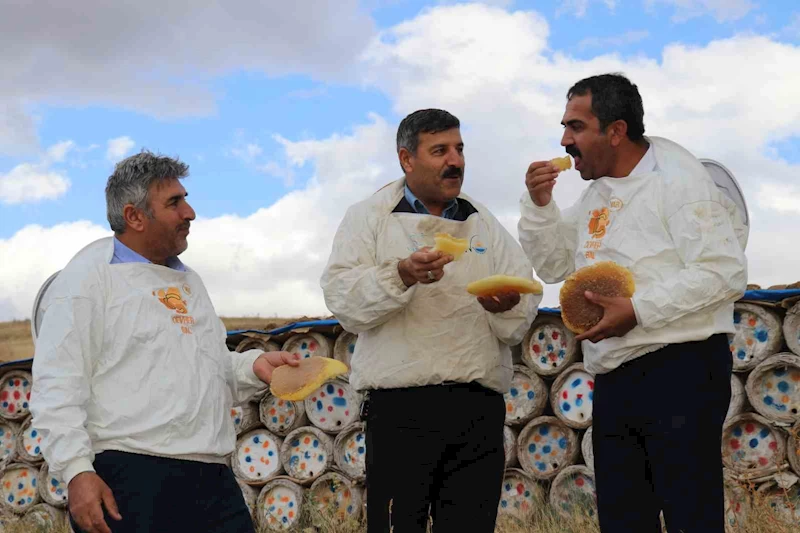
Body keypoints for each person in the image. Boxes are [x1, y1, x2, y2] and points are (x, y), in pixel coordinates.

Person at [518, 73, 748, 532]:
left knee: (690, 517)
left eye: (576, 127)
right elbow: (556, 266)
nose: (564, 140)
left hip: (680, 369)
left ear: (616, 131)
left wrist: (638, 310)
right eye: (565, 127)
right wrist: (540, 205)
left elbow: (723, 271)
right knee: (624, 519)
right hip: (613, 376)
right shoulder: (596, 195)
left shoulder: (679, 181)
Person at [30, 151, 300, 533]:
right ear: (134, 216)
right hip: (129, 478)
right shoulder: (86, 281)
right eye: (174, 203)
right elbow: (57, 384)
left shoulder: (188, 282)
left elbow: (209, 367)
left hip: (211, 476)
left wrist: (253, 366)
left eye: (185, 199)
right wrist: (76, 472)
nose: (189, 212)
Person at [320, 108, 541, 533]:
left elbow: (523, 291)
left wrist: (506, 305)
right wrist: (400, 274)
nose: (454, 161)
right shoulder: (369, 217)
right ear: (407, 159)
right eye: (439, 150)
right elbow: (343, 298)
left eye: (459, 149)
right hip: (401, 409)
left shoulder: (483, 222)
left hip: (477, 409)